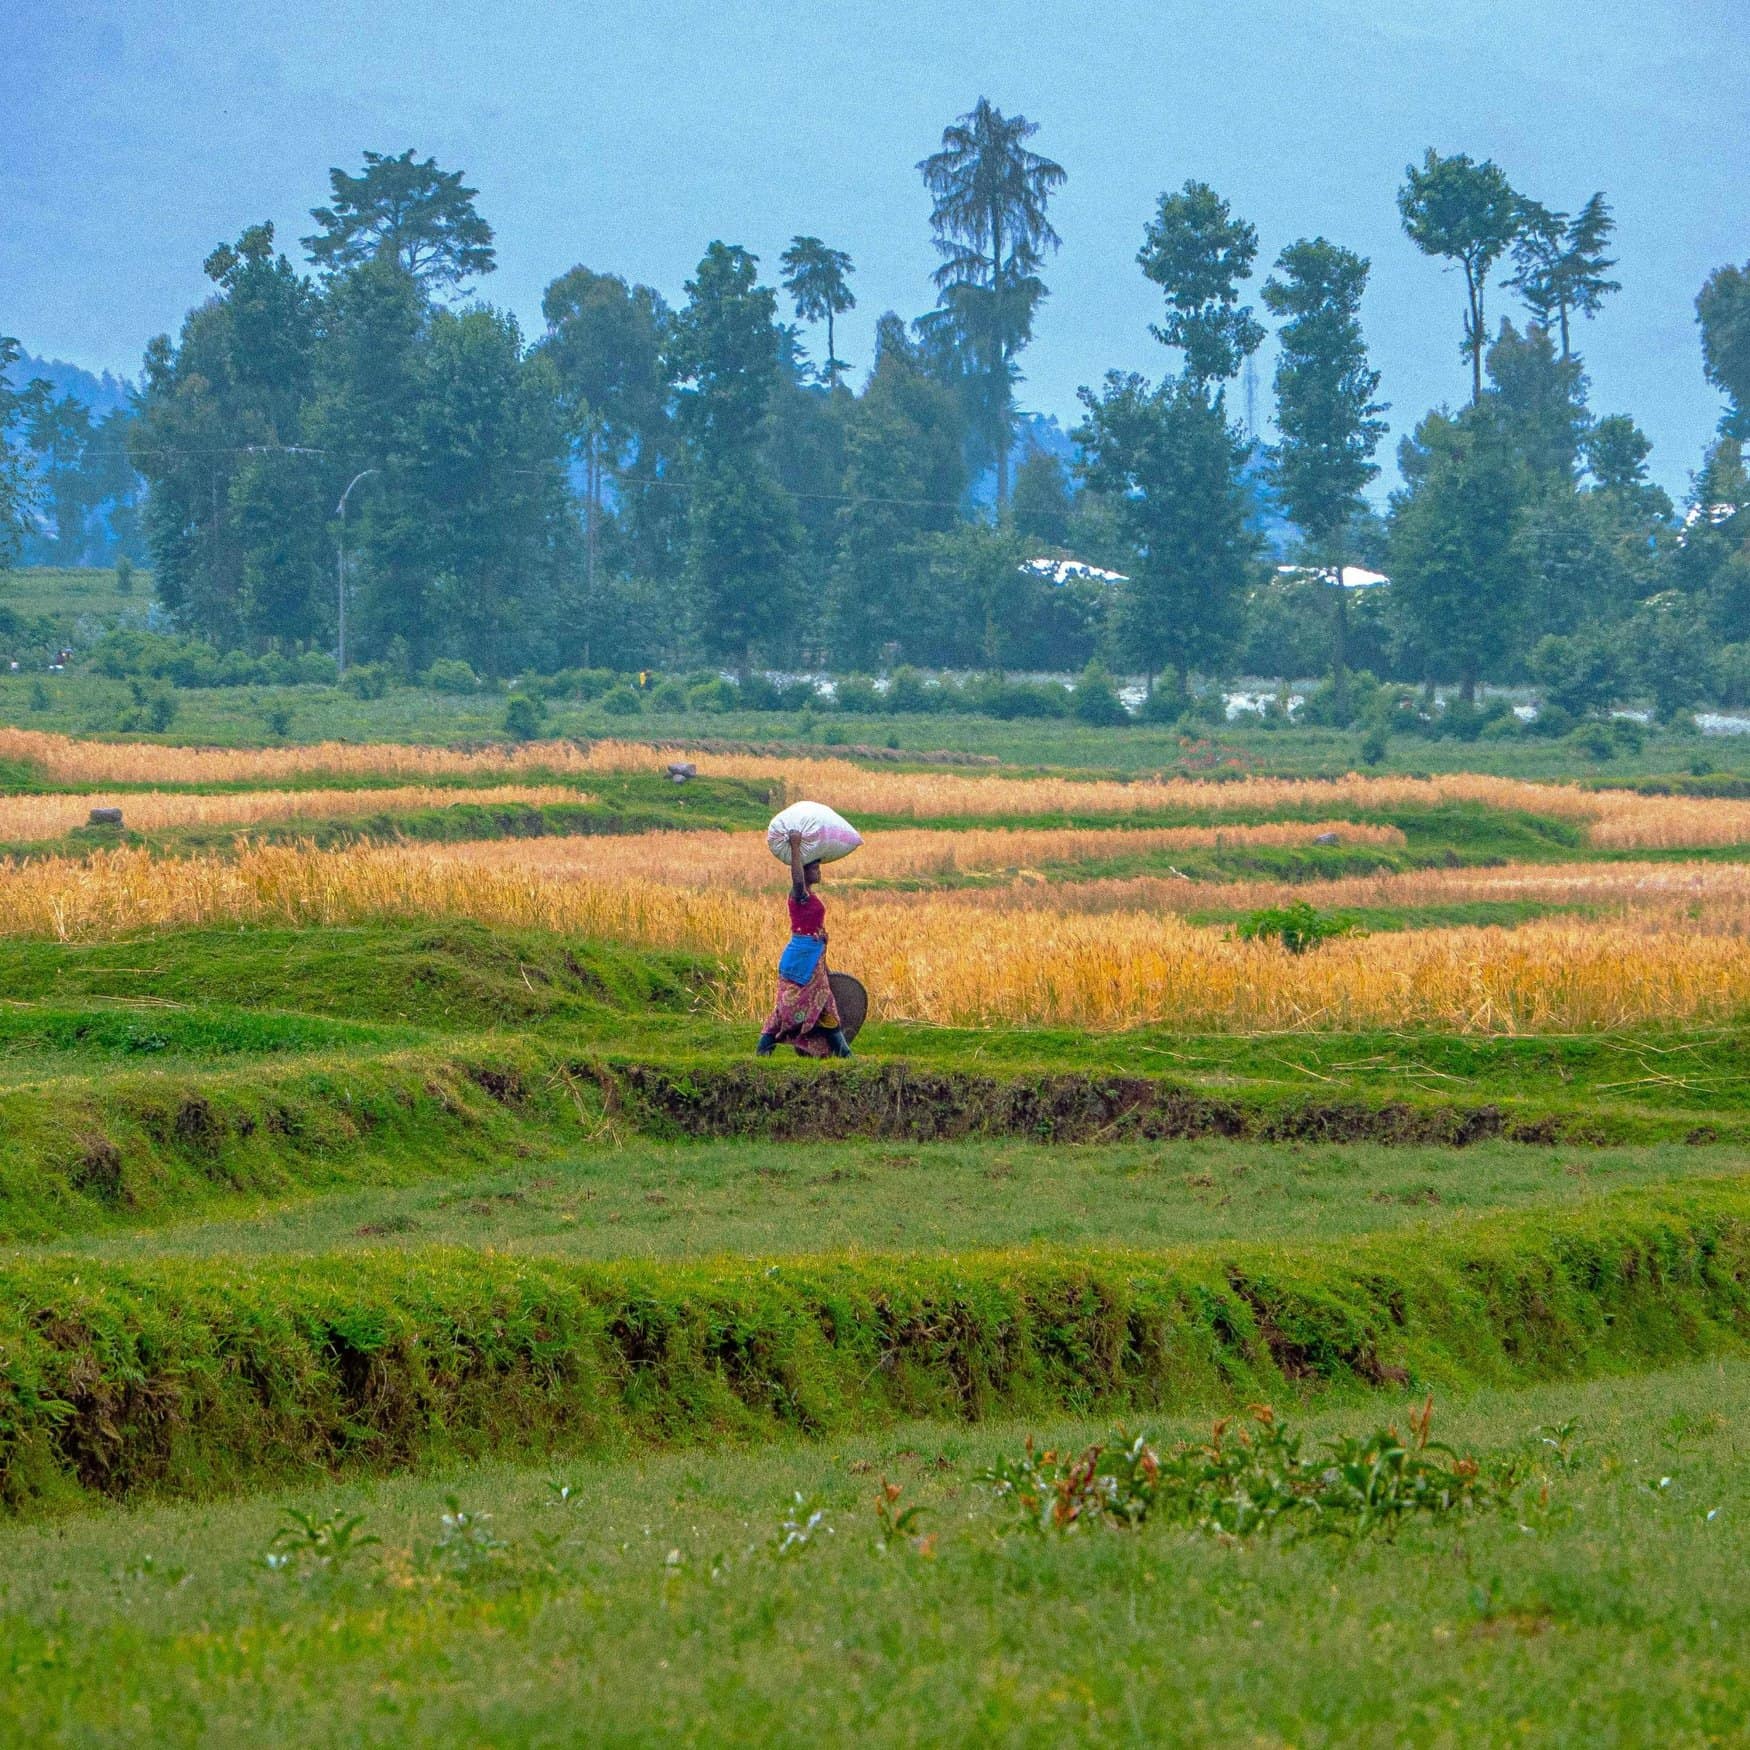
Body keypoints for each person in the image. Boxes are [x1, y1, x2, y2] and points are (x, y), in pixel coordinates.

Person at [755, 829, 853, 1059]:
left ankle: (845, 1055)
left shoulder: (810, 895)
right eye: (814, 868)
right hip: (800, 959)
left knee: (826, 1006)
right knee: (785, 1009)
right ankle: (762, 1052)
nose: (818, 871)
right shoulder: (799, 894)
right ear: (805, 871)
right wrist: (795, 846)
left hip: (814, 958)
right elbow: (796, 878)